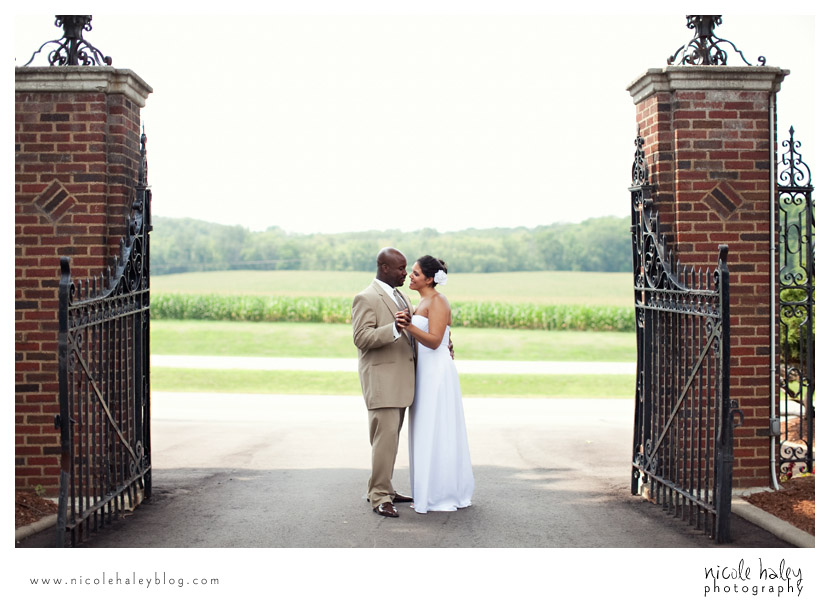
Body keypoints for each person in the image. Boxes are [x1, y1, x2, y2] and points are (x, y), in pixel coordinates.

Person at [404, 255, 474, 513]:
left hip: (437, 372)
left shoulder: (438, 300)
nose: (411, 276)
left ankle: (441, 493)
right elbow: (445, 335)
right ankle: (426, 489)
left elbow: (434, 341)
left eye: (416, 273)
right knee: (425, 428)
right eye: (411, 272)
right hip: (425, 371)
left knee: (438, 428)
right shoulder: (422, 300)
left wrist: (408, 326)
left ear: (430, 279)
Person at [352, 247, 417, 518]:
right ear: (385, 268)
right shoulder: (366, 297)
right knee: (384, 440)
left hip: (400, 382)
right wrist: (394, 329)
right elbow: (362, 338)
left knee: (391, 440)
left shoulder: (399, 295)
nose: (405, 273)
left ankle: (383, 488)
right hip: (382, 382)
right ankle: (380, 496)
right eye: (401, 268)